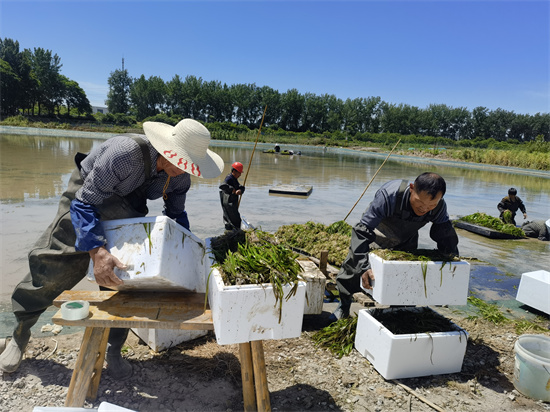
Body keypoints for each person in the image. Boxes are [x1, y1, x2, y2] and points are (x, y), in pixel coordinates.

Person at [0, 119, 224, 378]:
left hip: (128, 211)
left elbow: (176, 215)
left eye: (192, 167)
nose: (187, 171)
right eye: (184, 163)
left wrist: (189, 251)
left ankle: (113, 350)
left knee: (126, 281)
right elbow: (84, 202)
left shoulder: (179, 178)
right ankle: (20, 334)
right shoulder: (124, 154)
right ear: (167, 150)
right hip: (85, 203)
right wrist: (96, 250)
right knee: (53, 270)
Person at [331, 172, 459, 322]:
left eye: (431, 205)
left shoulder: (439, 208)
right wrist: (364, 266)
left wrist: (452, 265)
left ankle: (397, 314)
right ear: (412, 188)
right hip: (377, 233)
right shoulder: (389, 195)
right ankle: (344, 306)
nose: (424, 209)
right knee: (352, 268)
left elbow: (445, 235)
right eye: (420, 203)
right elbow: (362, 231)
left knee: (406, 276)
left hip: (406, 239)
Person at [219, 162, 245, 230]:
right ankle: (234, 232)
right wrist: (232, 190)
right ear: (234, 171)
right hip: (228, 202)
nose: (240, 175)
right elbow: (222, 186)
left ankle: (232, 232)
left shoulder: (234, 178)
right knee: (235, 219)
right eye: (239, 173)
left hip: (232, 202)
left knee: (231, 219)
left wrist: (240, 190)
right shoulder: (229, 178)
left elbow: (239, 186)